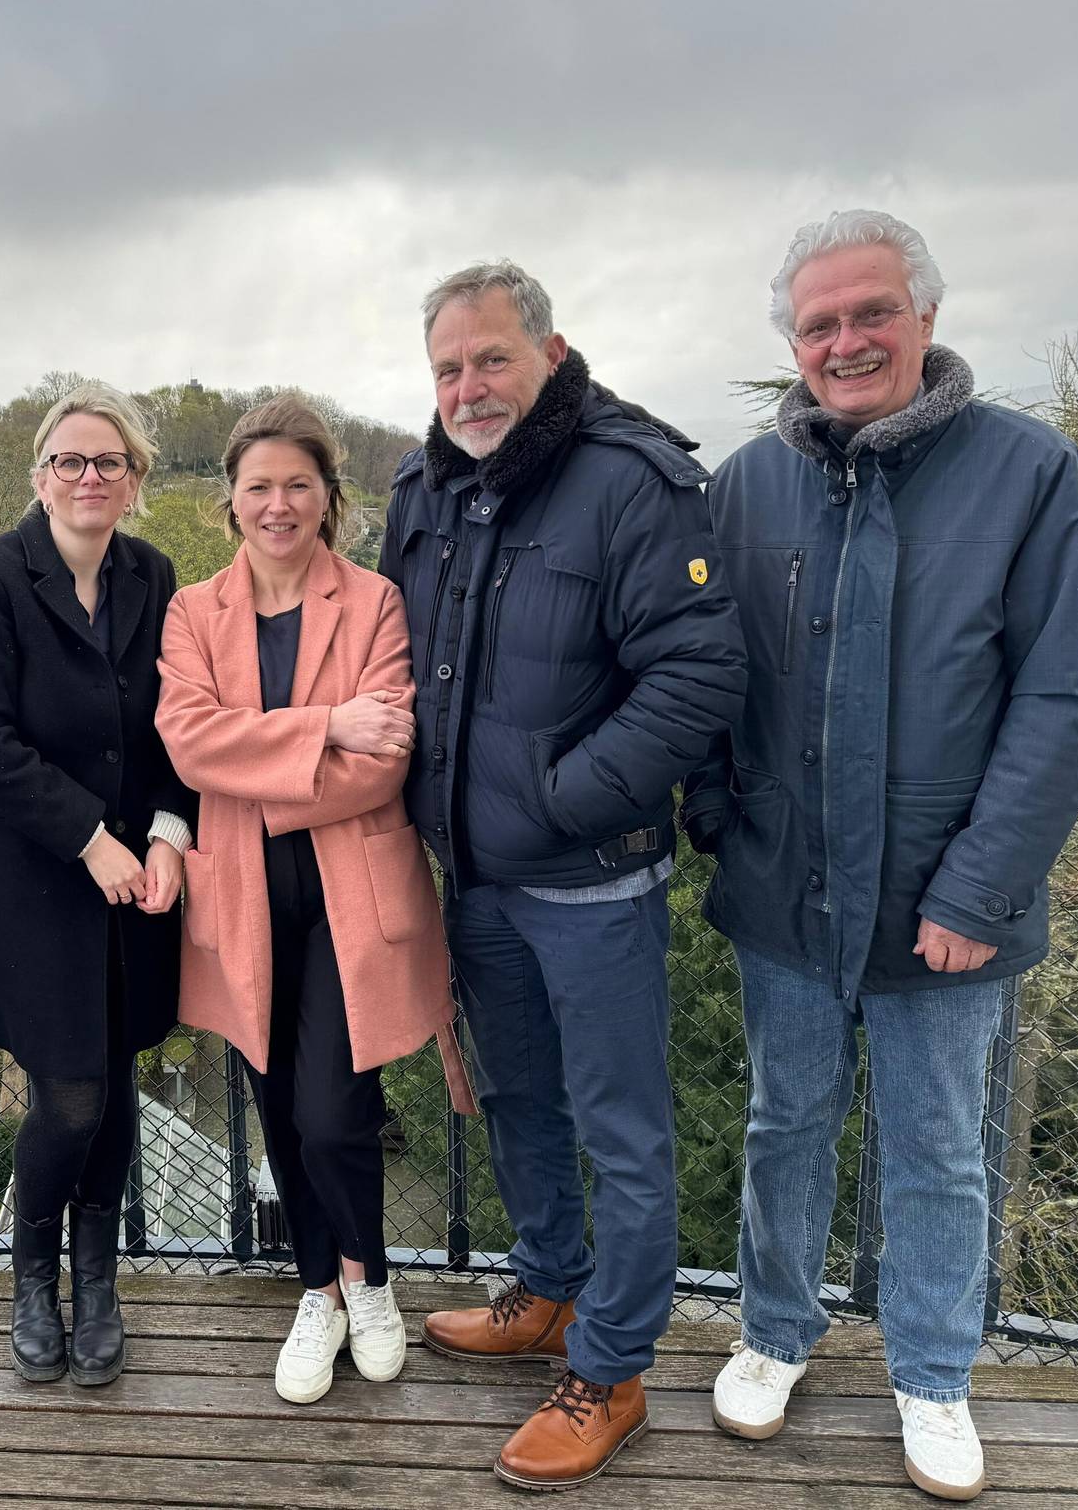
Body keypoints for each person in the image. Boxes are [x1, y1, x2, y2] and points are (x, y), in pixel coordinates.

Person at [682, 210, 1078, 1502]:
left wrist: (981, 886)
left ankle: (932, 1372)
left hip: (947, 903)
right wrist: (721, 822)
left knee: (936, 1148)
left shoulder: (1027, 469)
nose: (846, 341)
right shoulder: (748, 483)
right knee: (784, 1126)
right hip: (784, 889)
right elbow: (700, 672)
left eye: (870, 312)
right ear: (794, 346)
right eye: (819, 324)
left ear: (925, 314)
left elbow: (1064, 698)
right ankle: (774, 1332)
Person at [379, 261, 746, 1491]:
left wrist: (562, 798)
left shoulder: (633, 478)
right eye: (448, 367)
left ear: (550, 351)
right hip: (474, 877)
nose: (468, 387)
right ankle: (546, 1288)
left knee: (622, 1131)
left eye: (490, 358)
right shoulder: (424, 487)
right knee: (517, 1099)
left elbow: (699, 674)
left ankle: (614, 1367)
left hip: (591, 879)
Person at [156, 394, 474, 1405]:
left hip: (350, 896)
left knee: (334, 1112)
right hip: (244, 898)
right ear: (230, 500)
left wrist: (256, 771)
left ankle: (368, 1277)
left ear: (328, 495)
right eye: (259, 486)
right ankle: (317, 1289)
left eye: (298, 484)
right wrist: (327, 724)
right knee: (278, 1108)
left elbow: (387, 762)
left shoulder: (373, 602)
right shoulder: (193, 611)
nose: (278, 504)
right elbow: (188, 741)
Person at [0, 380, 192, 1387]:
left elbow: (179, 719)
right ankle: (33, 1279)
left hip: (134, 881)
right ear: (40, 476)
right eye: (70, 461)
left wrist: (168, 832)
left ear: (133, 480)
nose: (91, 476)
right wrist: (90, 838)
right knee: (73, 1092)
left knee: (115, 1070)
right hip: (34, 883)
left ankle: (99, 1284)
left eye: (109, 462)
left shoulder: (152, 573)